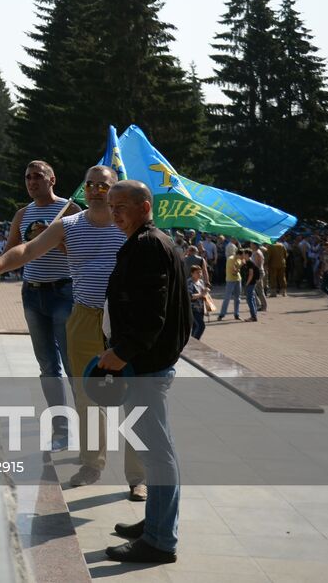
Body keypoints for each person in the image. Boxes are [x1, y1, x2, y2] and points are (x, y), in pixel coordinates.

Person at [0, 166, 144, 497]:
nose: (95, 190)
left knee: (134, 395)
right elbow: (27, 250)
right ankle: (91, 463)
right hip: (82, 317)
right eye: (90, 184)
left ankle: (138, 476)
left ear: (113, 191)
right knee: (86, 393)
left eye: (103, 185)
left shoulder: (128, 227)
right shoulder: (68, 225)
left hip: (124, 321)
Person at [99, 180, 190, 564]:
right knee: (154, 450)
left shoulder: (149, 244)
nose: (115, 212)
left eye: (121, 205)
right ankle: (154, 522)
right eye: (110, 205)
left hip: (145, 366)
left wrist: (121, 353)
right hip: (143, 364)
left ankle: (159, 541)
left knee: (158, 454)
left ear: (145, 205)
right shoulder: (144, 241)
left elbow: (152, 314)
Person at [3, 160, 80, 450]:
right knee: (48, 367)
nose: (32, 182)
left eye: (38, 177)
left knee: (73, 365)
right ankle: (61, 431)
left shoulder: (71, 211)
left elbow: (81, 253)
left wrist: (51, 238)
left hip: (64, 293)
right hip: (33, 295)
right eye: (27, 177)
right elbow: (10, 251)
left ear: (52, 180)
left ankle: (87, 429)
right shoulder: (22, 214)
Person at [216, 247, 244, 321]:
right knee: (227, 298)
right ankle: (222, 314)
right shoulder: (231, 259)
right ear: (238, 254)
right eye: (242, 256)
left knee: (237, 298)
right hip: (230, 280)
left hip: (238, 279)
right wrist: (241, 265)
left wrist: (241, 264)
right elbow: (234, 272)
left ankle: (236, 314)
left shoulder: (239, 259)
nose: (243, 257)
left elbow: (237, 271)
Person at [187, 265, 208, 340]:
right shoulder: (189, 282)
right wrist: (201, 294)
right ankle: (195, 343)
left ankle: (191, 344)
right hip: (193, 309)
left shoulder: (201, 282)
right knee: (201, 326)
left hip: (200, 308)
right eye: (197, 273)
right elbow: (190, 296)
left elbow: (203, 295)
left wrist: (205, 292)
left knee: (195, 327)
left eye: (200, 272)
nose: (199, 274)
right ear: (192, 273)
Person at [242, 248, 261, 322]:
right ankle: (254, 314)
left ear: (247, 254)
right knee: (252, 298)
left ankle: (253, 316)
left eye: (244, 253)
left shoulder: (250, 263)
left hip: (251, 283)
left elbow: (251, 274)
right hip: (252, 282)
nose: (242, 255)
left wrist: (247, 284)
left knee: (249, 299)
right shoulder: (247, 262)